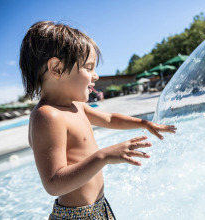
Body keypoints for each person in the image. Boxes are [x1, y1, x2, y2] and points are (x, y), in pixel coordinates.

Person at [19, 21, 177, 219]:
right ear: (56, 69)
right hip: (75, 216)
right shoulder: (48, 116)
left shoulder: (77, 107)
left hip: (100, 208)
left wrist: (143, 123)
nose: (96, 76)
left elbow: (110, 119)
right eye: (88, 67)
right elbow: (53, 183)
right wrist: (103, 157)